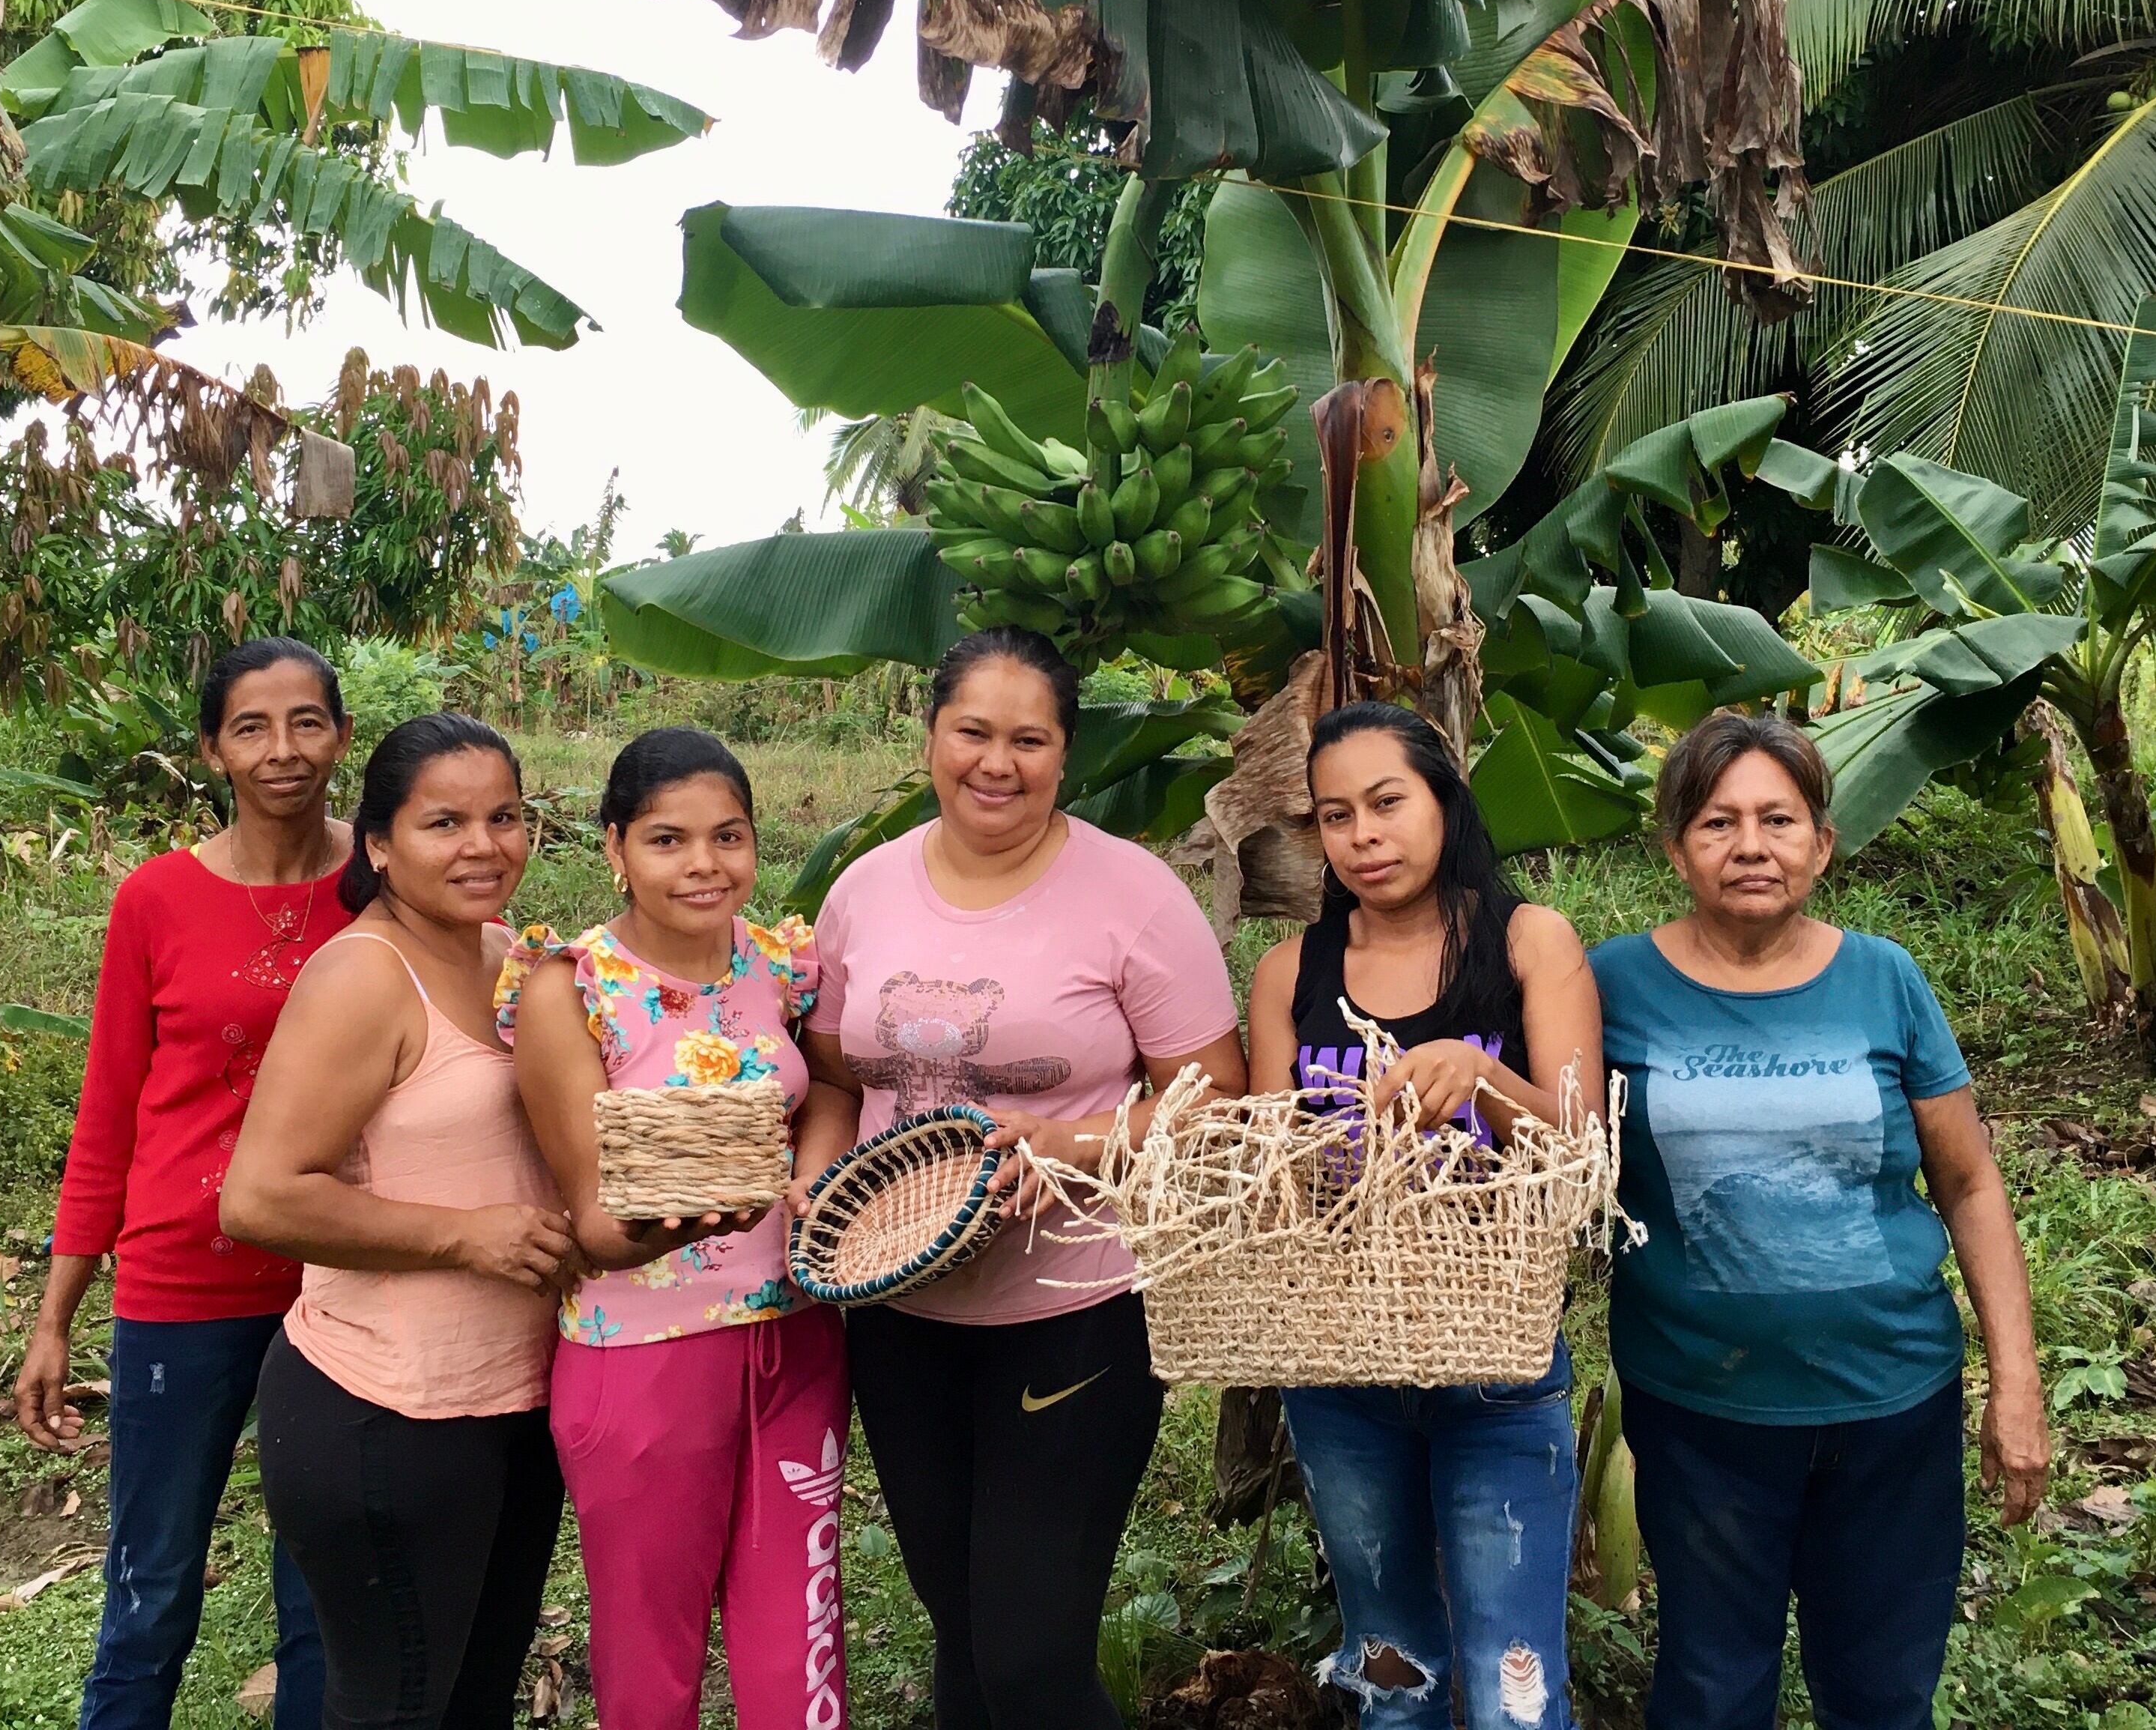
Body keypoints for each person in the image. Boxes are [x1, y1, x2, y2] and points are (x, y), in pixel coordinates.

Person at [802, 627, 1248, 1730]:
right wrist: (816, 1188)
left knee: (1030, 1659)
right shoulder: (864, 891)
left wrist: (1072, 1143)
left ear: (1065, 754)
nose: (996, 763)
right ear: (931, 736)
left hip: (1073, 1312)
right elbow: (833, 1078)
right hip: (897, 1313)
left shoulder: (1135, 896)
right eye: (973, 732)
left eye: (1028, 740)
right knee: (962, 1635)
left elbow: (1216, 1106)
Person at [1592, 710, 2048, 1730]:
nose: (1751, 846)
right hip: (1700, 1413)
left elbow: (1970, 1183)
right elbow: (1544, 1135)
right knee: (1711, 1692)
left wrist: (2016, 1384)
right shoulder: (1611, 981)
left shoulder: (1884, 978)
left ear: (1822, 844)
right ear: (1676, 850)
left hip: (1891, 1403)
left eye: (1779, 820)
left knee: (1882, 1695)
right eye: (1718, 823)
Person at [1243, 701, 1606, 1730]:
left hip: (1498, 1368)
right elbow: (1267, 1173)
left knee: (1512, 1688)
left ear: (1445, 799)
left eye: (1388, 803)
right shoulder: (1290, 972)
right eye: (1336, 815)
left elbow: (1586, 1151)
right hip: (1338, 1371)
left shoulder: (1527, 942)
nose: (1364, 835)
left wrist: (1484, 1079)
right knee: (1391, 1669)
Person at [220, 715, 578, 1730]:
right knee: (396, 1707)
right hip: (387, 1410)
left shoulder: (507, 955)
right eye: (444, 823)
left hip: (514, 1399)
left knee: (476, 1699)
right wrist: (464, 1236)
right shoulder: (363, 976)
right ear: (378, 844)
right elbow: (261, 1195)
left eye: (504, 816)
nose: (484, 846)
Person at [22, 638, 351, 1730]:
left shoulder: (387, 884)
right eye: (252, 727)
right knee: (150, 1587)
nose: (282, 749)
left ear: (342, 736)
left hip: (344, 1285)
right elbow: (109, 1114)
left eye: (306, 721)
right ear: (213, 750)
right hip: (182, 1287)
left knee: (323, 1596)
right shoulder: (156, 899)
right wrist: (56, 1318)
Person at [505, 727, 861, 1730]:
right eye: (668, 840)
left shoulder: (780, 965)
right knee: (651, 1667)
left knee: (801, 1656)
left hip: (795, 1341)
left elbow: (832, 1085)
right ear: (615, 847)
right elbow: (593, 1218)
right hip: (642, 1359)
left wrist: (815, 1173)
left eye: (728, 836)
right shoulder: (572, 988)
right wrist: (699, 1218)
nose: (705, 864)